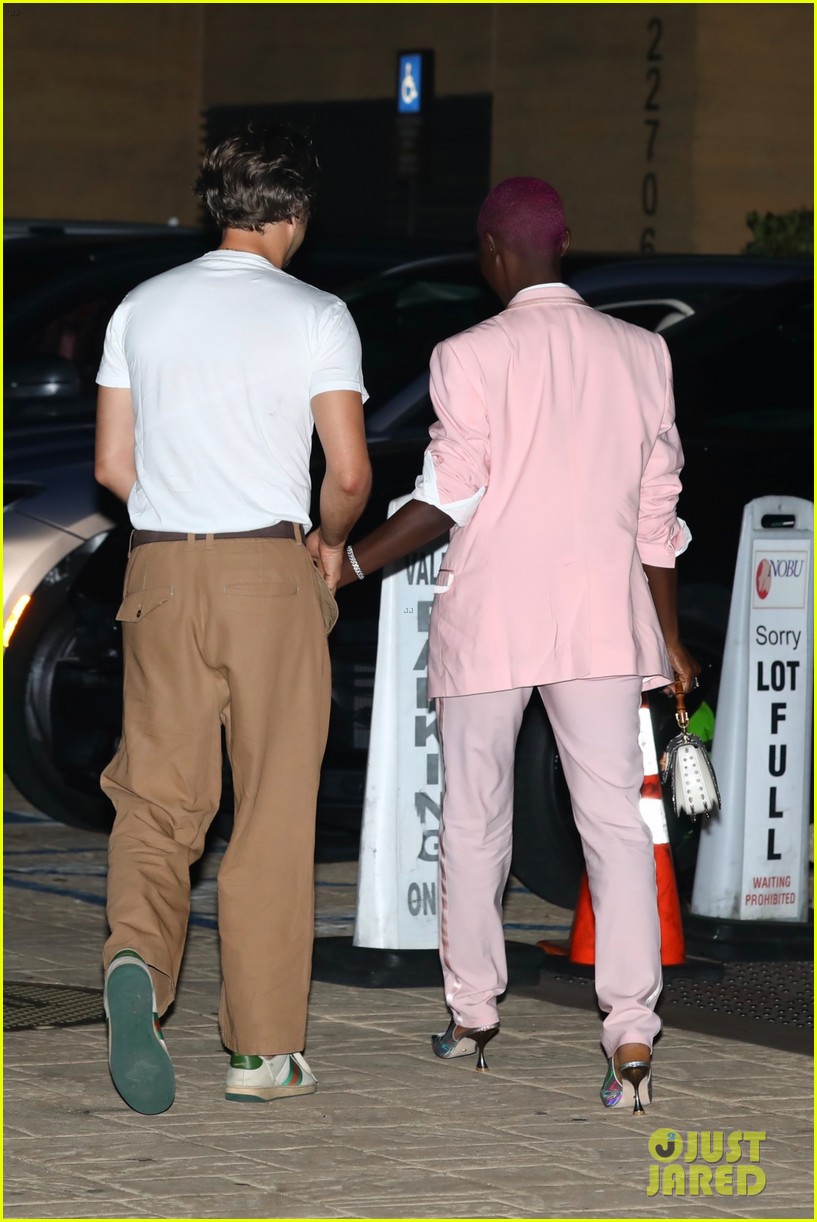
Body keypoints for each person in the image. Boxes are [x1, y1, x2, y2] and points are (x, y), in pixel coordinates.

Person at [332, 177, 699, 1112]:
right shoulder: (642, 353)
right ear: (561, 246)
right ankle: (630, 1035)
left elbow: (450, 492)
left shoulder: (466, 353)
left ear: (493, 251)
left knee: (474, 820)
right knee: (615, 828)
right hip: (600, 624)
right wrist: (668, 635)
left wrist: (345, 563)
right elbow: (656, 517)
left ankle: (472, 1015)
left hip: (492, 621)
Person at [94, 124, 371, 1114]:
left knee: (158, 802)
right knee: (269, 813)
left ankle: (135, 962)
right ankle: (261, 1053)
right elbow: (346, 472)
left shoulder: (140, 307)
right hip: (268, 569)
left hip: (161, 571)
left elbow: (113, 468)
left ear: (220, 210)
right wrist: (331, 544)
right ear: (293, 217)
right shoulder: (315, 314)